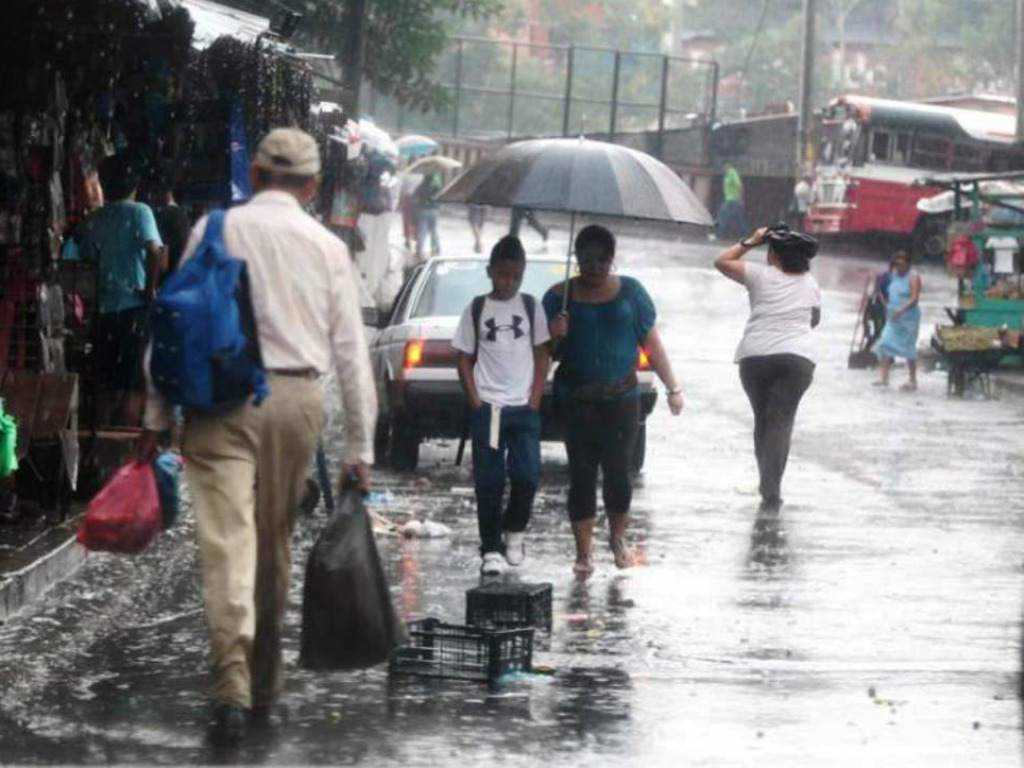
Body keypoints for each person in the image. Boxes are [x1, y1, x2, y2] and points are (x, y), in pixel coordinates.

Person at [138, 128, 377, 745]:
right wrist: (359, 450)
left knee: (227, 543)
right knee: (273, 546)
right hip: (295, 401)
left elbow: (174, 324)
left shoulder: (215, 229)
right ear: (313, 185)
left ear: (257, 175)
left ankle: (231, 684)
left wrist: (156, 418)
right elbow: (352, 355)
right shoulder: (327, 247)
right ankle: (264, 683)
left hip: (219, 400)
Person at [544, 225, 684, 576]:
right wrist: (554, 334)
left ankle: (618, 538)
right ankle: (583, 552)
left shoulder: (631, 293)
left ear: (612, 259)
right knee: (581, 474)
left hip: (621, 399)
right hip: (576, 400)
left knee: (619, 473)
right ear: (577, 259)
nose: (594, 268)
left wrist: (672, 387)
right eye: (587, 260)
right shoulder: (558, 298)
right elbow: (546, 354)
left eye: (601, 260)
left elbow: (651, 344)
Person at [452, 235, 550, 575]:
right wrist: (476, 401)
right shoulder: (477, 309)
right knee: (489, 480)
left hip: (524, 409)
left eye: (515, 276)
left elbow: (542, 354)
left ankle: (515, 530)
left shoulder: (531, 307)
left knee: (527, 475)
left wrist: (535, 398)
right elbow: (463, 358)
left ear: (522, 275)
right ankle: (490, 547)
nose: (508, 282)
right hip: (489, 408)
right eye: (502, 275)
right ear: (490, 271)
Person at [715, 224, 821, 514]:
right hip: (797, 360)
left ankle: (768, 484)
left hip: (755, 358)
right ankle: (771, 488)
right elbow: (814, 320)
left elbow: (722, 261)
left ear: (772, 254)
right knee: (781, 422)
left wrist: (751, 241)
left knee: (763, 420)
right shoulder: (810, 283)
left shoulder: (759, 275)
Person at [77, 154, 165, 426]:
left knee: (106, 383)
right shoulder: (140, 212)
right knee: (133, 383)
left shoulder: (95, 219)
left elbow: (88, 260)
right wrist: (150, 289)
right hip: (134, 311)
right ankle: (123, 448)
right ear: (134, 185)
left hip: (104, 312)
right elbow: (155, 251)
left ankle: (99, 443)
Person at [874, 250, 922, 391]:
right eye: (896, 264)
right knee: (884, 344)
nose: (899, 267)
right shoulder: (892, 276)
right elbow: (882, 291)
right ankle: (884, 378)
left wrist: (901, 310)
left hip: (909, 318)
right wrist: (885, 304)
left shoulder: (913, 277)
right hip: (893, 317)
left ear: (908, 264)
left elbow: (914, 298)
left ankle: (913, 380)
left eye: (902, 264)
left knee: (908, 349)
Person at [150, 165, 191, 281]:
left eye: (154, 191)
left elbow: (162, 258)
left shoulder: (165, 215)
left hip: (170, 280)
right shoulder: (181, 213)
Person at [715, 163, 749, 240]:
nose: (723, 169)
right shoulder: (727, 174)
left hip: (732, 200)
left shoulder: (732, 173)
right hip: (729, 199)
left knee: (722, 217)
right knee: (738, 218)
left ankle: (719, 235)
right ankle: (744, 235)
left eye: (725, 166)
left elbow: (739, 185)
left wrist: (740, 198)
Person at [415, 171, 442, 258]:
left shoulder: (420, 187)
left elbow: (414, 197)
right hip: (434, 210)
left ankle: (420, 250)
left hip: (423, 210)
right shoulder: (436, 187)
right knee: (433, 230)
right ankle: (435, 249)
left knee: (422, 231)